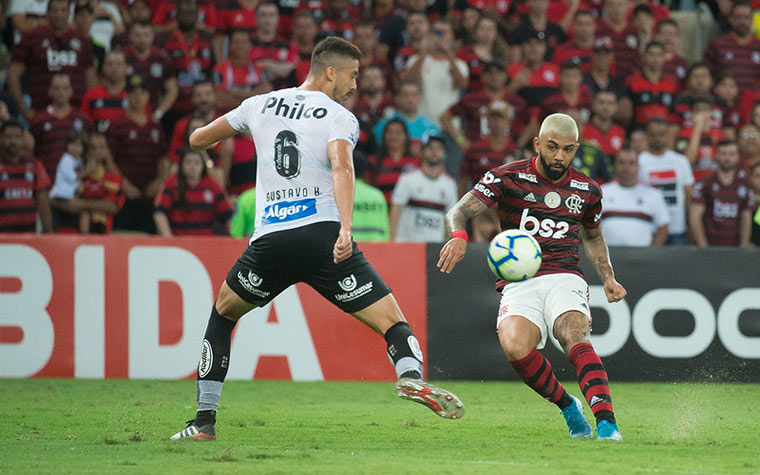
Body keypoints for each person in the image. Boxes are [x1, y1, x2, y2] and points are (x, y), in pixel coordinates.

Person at [170, 37, 464, 441]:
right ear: (331, 72)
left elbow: (198, 138)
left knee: (223, 315)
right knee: (393, 322)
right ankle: (409, 375)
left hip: (271, 241)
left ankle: (203, 422)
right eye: (353, 74)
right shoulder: (339, 116)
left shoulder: (258, 104)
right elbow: (342, 165)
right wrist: (346, 228)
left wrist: (216, 141)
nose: (356, 84)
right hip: (324, 239)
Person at [438, 113, 625, 441]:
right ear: (537, 143)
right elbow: (458, 212)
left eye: (567, 150)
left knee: (574, 335)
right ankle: (568, 406)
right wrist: (458, 236)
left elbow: (593, 236)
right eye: (552, 147)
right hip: (519, 281)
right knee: (515, 348)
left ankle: (607, 422)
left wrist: (608, 277)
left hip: (564, 275)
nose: (559, 156)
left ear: (576, 148)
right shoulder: (505, 177)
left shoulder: (587, 189)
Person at [389, 136, 457, 242]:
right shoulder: (407, 179)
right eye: (430, 148)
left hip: (435, 247)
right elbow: (395, 212)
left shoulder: (449, 184)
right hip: (407, 244)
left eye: (439, 148)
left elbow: (451, 219)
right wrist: (392, 241)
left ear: (444, 153)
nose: (434, 152)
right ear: (422, 151)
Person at [637, 118, 694, 245]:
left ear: (668, 135)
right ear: (647, 136)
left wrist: (691, 225)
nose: (657, 138)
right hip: (649, 227)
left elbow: (689, 196)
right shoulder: (639, 161)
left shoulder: (681, 161)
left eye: (661, 134)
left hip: (677, 227)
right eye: (653, 135)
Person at [689, 140, 755, 247]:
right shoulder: (705, 183)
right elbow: (695, 217)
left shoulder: (745, 184)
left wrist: (743, 246)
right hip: (709, 247)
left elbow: (746, 218)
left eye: (732, 154)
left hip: (735, 249)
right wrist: (703, 247)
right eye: (723, 154)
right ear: (716, 155)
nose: (727, 158)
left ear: (738, 157)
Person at [153, 148, 232, 236]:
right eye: (188, 162)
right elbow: (159, 213)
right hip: (178, 241)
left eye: (197, 162)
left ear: (203, 165)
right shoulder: (170, 184)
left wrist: (232, 239)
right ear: (181, 164)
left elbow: (228, 216)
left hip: (207, 241)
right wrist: (169, 239)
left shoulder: (213, 186)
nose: (192, 166)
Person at [600, 148, 669, 246]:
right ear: (615, 166)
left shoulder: (653, 194)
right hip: (607, 256)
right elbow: (588, 227)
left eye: (631, 163)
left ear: (638, 167)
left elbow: (663, 227)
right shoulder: (601, 192)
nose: (626, 167)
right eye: (621, 162)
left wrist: (652, 253)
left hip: (642, 257)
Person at [0, 120, 53, 233]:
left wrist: (49, 232)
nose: (13, 141)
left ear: (23, 140)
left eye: (17, 137)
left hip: (28, 238)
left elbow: (43, 201)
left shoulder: (35, 166)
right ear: (1, 139)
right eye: (8, 137)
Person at [352, 151, 390, 242]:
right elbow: (385, 229)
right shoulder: (378, 195)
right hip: (378, 249)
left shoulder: (339, 194)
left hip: (351, 250)